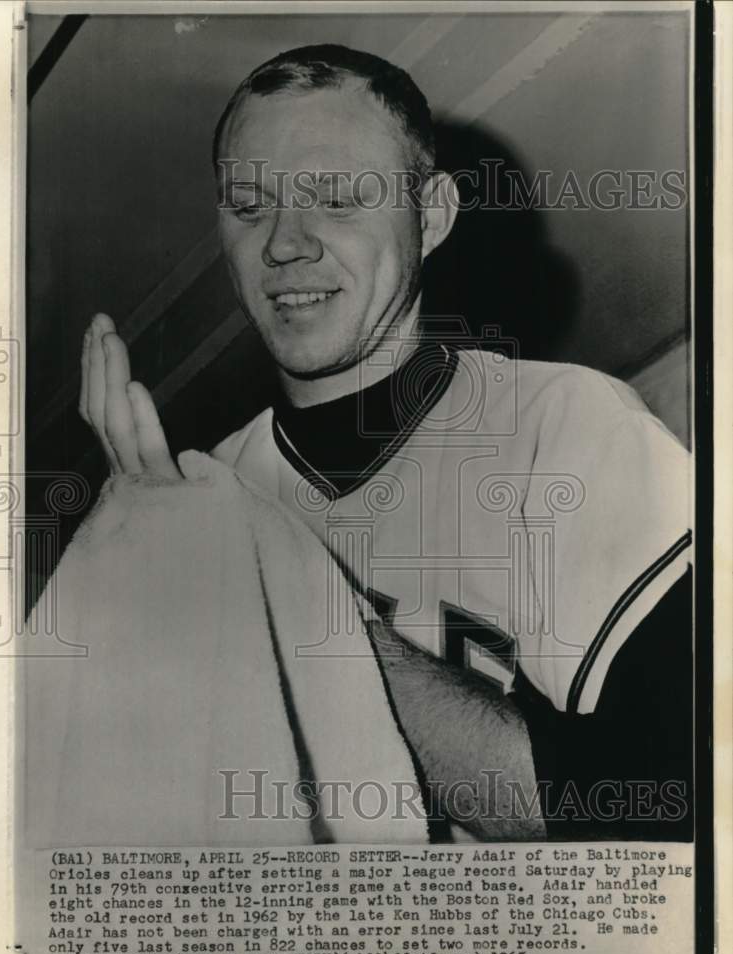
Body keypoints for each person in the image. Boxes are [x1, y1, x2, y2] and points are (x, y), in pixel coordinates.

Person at [78, 44, 693, 841]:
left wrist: (282, 590)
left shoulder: (566, 425)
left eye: (337, 197)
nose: (283, 244)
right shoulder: (203, 496)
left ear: (430, 216)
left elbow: (659, 810)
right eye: (249, 205)